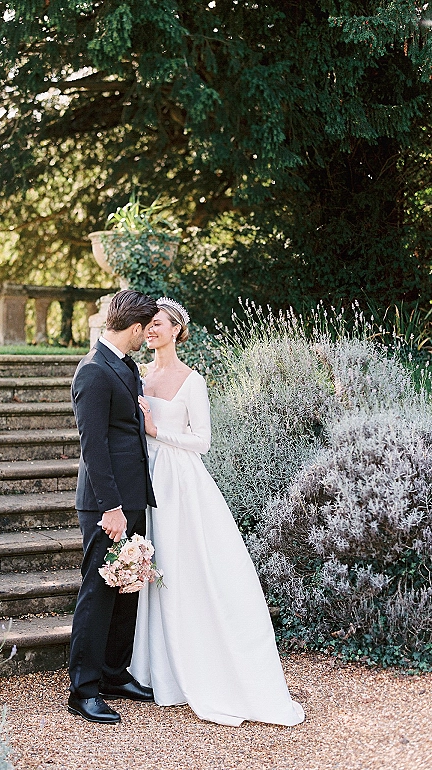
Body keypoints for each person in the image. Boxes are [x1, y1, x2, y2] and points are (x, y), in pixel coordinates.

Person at [129, 297, 305, 728]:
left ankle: (200, 667)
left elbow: (202, 441)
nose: (150, 330)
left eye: (157, 324)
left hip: (179, 481)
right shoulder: (138, 373)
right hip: (143, 474)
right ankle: (155, 668)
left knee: (183, 566)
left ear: (176, 330)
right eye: (147, 324)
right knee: (153, 566)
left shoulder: (193, 381)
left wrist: (158, 430)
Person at [68, 289, 159, 725]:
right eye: (146, 329)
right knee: (99, 592)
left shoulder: (124, 365)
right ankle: (83, 689)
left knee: (128, 587)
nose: (147, 337)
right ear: (135, 328)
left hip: (133, 496)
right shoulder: (93, 371)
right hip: (107, 505)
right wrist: (111, 508)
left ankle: (113, 673)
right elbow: (94, 447)